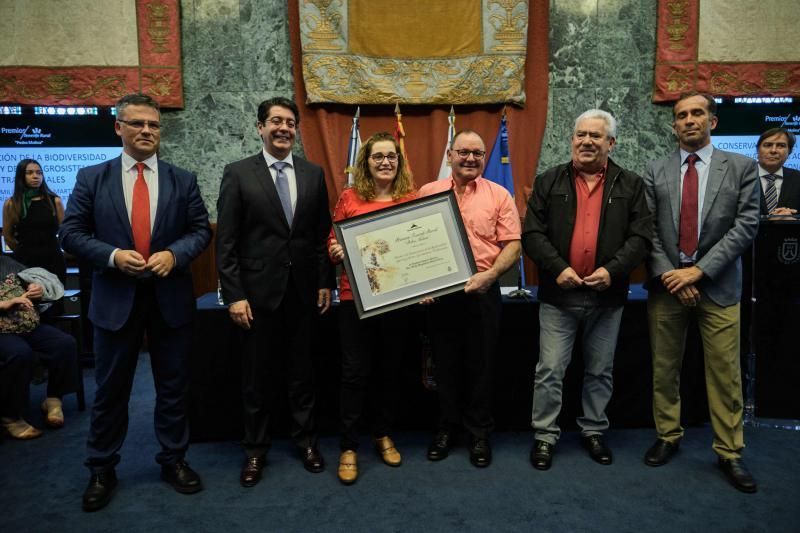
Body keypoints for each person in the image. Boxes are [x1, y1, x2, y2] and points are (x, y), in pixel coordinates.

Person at [60, 93, 211, 511]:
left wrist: (174, 254)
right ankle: (102, 468)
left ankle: (174, 459)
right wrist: (111, 256)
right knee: (110, 390)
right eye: (138, 123)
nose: (147, 131)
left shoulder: (183, 178)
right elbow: (70, 233)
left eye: (154, 125)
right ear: (118, 128)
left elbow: (201, 230)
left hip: (170, 300)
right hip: (114, 299)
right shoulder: (92, 178)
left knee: (173, 387)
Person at [522, 109, 652, 470]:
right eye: (581, 135)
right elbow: (532, 233)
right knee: (549, 370)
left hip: (607, 297)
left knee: (600, 371)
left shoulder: (631, 185)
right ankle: (545, 436)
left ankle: (594, 430)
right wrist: (558, 268)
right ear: (572, 140)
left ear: (611, 143)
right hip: (558, 297)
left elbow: (641, 237)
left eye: (596, 136)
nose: (586, 142)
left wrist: (612, 271)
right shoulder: (549, 181)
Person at [643, 92, 760, 493]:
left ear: (713, 121)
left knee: (726, 374)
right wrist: (673, 276)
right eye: (681, 116)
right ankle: (667, 435)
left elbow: (745, 227)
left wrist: (697, 272)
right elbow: (650, 232)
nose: (689, 120)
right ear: (673, 125)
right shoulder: (655, 170)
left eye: (697, 113)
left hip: (719, 286)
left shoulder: (742, 167)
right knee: (664, 369)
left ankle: (729, 451)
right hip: (667, 289)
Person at [216, 96, 334, 487]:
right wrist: (234, 294)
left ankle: (306, 442)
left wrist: (323, 282)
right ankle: (255, 450)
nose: (283, 128)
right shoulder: (238, 173)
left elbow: (319, 238)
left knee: (303, 373)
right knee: (256, 378)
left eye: (290, 123)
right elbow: (227, 243)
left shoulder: (313, 174)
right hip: (255, 297)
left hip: (302, 293)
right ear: (260, 128)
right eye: (275, 122)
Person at [417, 129, 521, 468]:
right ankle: (446, 429)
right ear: (449, 155)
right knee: (443, 367)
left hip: (483, 291)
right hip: (440, 296)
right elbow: (413, 244)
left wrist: (491, 275)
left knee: (481, 366)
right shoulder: (427, 192)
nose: (471, 159)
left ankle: (479, 434)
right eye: (463, 152)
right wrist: (421, 283)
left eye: (477, 153)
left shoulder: (500, 195)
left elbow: (513, 245)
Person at [327, 132, 416, 484]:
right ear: (366, 161)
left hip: (397, 299)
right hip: (355, 298)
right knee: (354, 373)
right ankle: (349, 445)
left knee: (389, 370)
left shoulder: (409, 198)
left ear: (399, 161)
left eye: (391, 156)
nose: (385, 162)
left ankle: (382, 434)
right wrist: (335, 249)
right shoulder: (350, 197)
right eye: (377, 156)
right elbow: (333, 239)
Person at [0, 255, 77, 438]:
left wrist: (35, 289)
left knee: (64, 344)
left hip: (24, 323)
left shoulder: (6, 262)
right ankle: (9, 415)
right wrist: (5, 303)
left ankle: (53, 398)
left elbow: (29, 281)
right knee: (20, 354)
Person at [3, 159, 67, 283]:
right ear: (21, 176)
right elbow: (8, 236)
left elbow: (65, 232)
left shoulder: (55, 201)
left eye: (39, 172)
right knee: (28, 301)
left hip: (53, 260)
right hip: (25, 262)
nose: (36, 176)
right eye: (30, 173)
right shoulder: (11, 204)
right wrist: (23, 251)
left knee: (56, 300)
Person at [755, 127, 800, 216]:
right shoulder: (740, 177)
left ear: (789, 151)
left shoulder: (798, 178)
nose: (773, 150)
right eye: (768, 145)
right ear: (758, 149)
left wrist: (794, 219)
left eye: (781, 145)